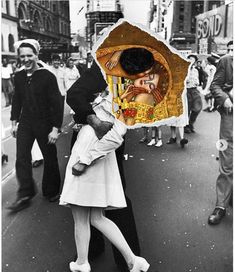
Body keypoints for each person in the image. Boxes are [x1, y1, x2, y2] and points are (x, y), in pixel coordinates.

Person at [67, 48, 155, 272]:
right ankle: (94, 257)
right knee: (99, 207)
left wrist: (85, 158)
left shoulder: (133, 89)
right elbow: (75, 94)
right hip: (94, 142)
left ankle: (89, 258)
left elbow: (116, 134)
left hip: (93, 147)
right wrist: (93, 117)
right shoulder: (112, 77)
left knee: (90, 205)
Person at [7, 39, 63, 213]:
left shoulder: (47, 76)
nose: (25, 59)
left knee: (50, 157)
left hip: (45, 123)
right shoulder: (19, 76)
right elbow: (17, 100)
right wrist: (14, 122)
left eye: (29, 55)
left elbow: (57, 103)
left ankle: (51, 191)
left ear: (36, 55)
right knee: (22, 157)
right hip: (26, 122)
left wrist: (55, 128)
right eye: (22, 56)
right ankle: (25, 193)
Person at [208, 40, 233, 225]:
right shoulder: (226, 61)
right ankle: (221, 205)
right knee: (226, 159)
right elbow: (214, 86)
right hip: (230, 117)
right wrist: (224, 99)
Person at [184, 55, 202, 134]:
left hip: (194, 90)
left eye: (193, 60)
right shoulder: (183, 69)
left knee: (198, 108)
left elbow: (198, 80)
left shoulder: (196, 70)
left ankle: (191, 123)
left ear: (194, 62)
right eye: (190, 60)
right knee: (187, 110)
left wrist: (197, 83)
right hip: (186, 90)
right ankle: (186, 126)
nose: (191, 61)